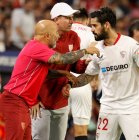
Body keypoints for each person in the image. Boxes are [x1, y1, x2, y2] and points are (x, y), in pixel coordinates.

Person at [0, 19, 99, 140]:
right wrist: (85, 50)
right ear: (47, 36)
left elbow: (44, 73)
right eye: (55, 34)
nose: (57, 37)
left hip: (23, 103)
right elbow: (62, 59)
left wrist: (64, 73)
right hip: (14, 101)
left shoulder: (36, 48)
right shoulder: (36, 47)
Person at [64, 7, 139, 140]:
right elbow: (88, 76)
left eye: (94, 25)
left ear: (106, 25)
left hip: (131, 108)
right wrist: (70, 84)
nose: (91, 29)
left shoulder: (131, 45)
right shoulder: (97, 49)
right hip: (107, 108)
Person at [31, 3, 98, 140]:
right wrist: (33, 99)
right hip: (42, 101)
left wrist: (84, 64)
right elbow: (36, 71)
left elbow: (74, 66)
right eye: (67, 18)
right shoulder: (44, 38)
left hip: (62, 99)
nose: (71, 21)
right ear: (56, 19)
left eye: (72, 17)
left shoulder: (73, 36)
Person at [69, 8, 96, 140]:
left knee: (56, 126)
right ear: (87, 20)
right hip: (82, 82)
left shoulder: (62, 30)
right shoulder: (91, 32)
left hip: (60, 80)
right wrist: (96, 79)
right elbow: (96, 58)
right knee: (81, 129)